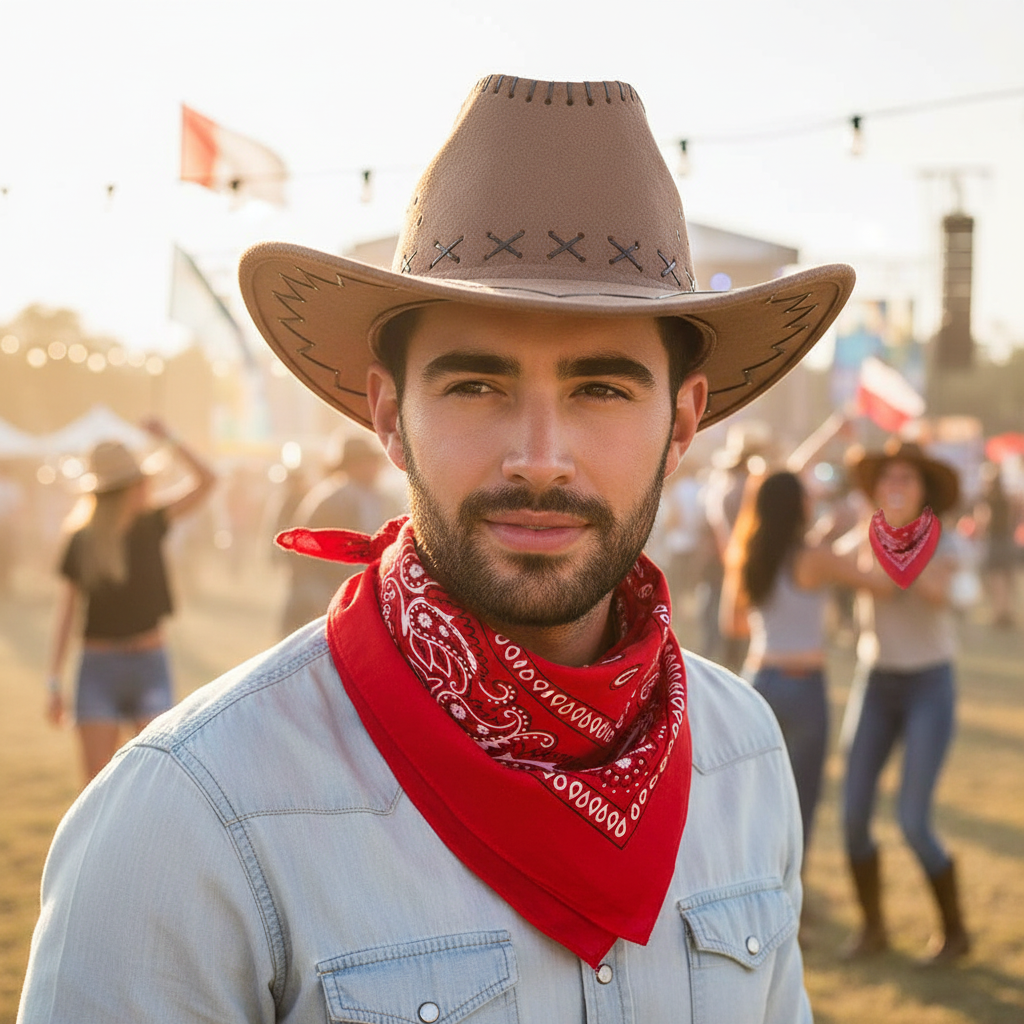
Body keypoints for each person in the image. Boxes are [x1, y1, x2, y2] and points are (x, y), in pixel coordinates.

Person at [20, 75, 856, 1022]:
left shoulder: (742, 754)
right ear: (388, 413)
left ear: (684, 419)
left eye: (602, 390)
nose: (540, 461)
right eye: (474, 385)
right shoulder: (192, 817)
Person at [720, 470, 893, 864]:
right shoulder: (814, 558)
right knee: (800, 800)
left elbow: (734, 623)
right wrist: (871, 526)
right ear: (800, 506)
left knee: (757, 799)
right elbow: (881, 585)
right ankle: (790, 895)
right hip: (803, 685)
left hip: (759, 681)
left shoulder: (747, 553)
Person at [841, 440, 970, 963]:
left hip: (928, 685)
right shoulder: (862, 536)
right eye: (887, 479)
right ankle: (873, 930)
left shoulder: (946, 542)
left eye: (906, 479)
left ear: (924, 491)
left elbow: (936, 592)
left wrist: (899, 547)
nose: (894, 487)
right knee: (852, 818)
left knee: (913, 821)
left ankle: (955, 934)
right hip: (875, 682)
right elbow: (863, 581)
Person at [44, 419, 216, 783]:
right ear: (123, 489)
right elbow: (67, 614)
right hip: (98, 668)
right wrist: (54, 683)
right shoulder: (82, 540)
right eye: (139, 481)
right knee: (95, 784)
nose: (147, 486)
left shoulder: (151, 523)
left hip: (149, 664)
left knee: (153, 778)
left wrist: (170, 437)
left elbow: (208, 480)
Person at [280, 432, 404, 635]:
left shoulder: (379, 498)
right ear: (352, 464)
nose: (373, 468)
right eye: (366, 462)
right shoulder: (333, 499)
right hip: (324, 587)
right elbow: (308, 555)